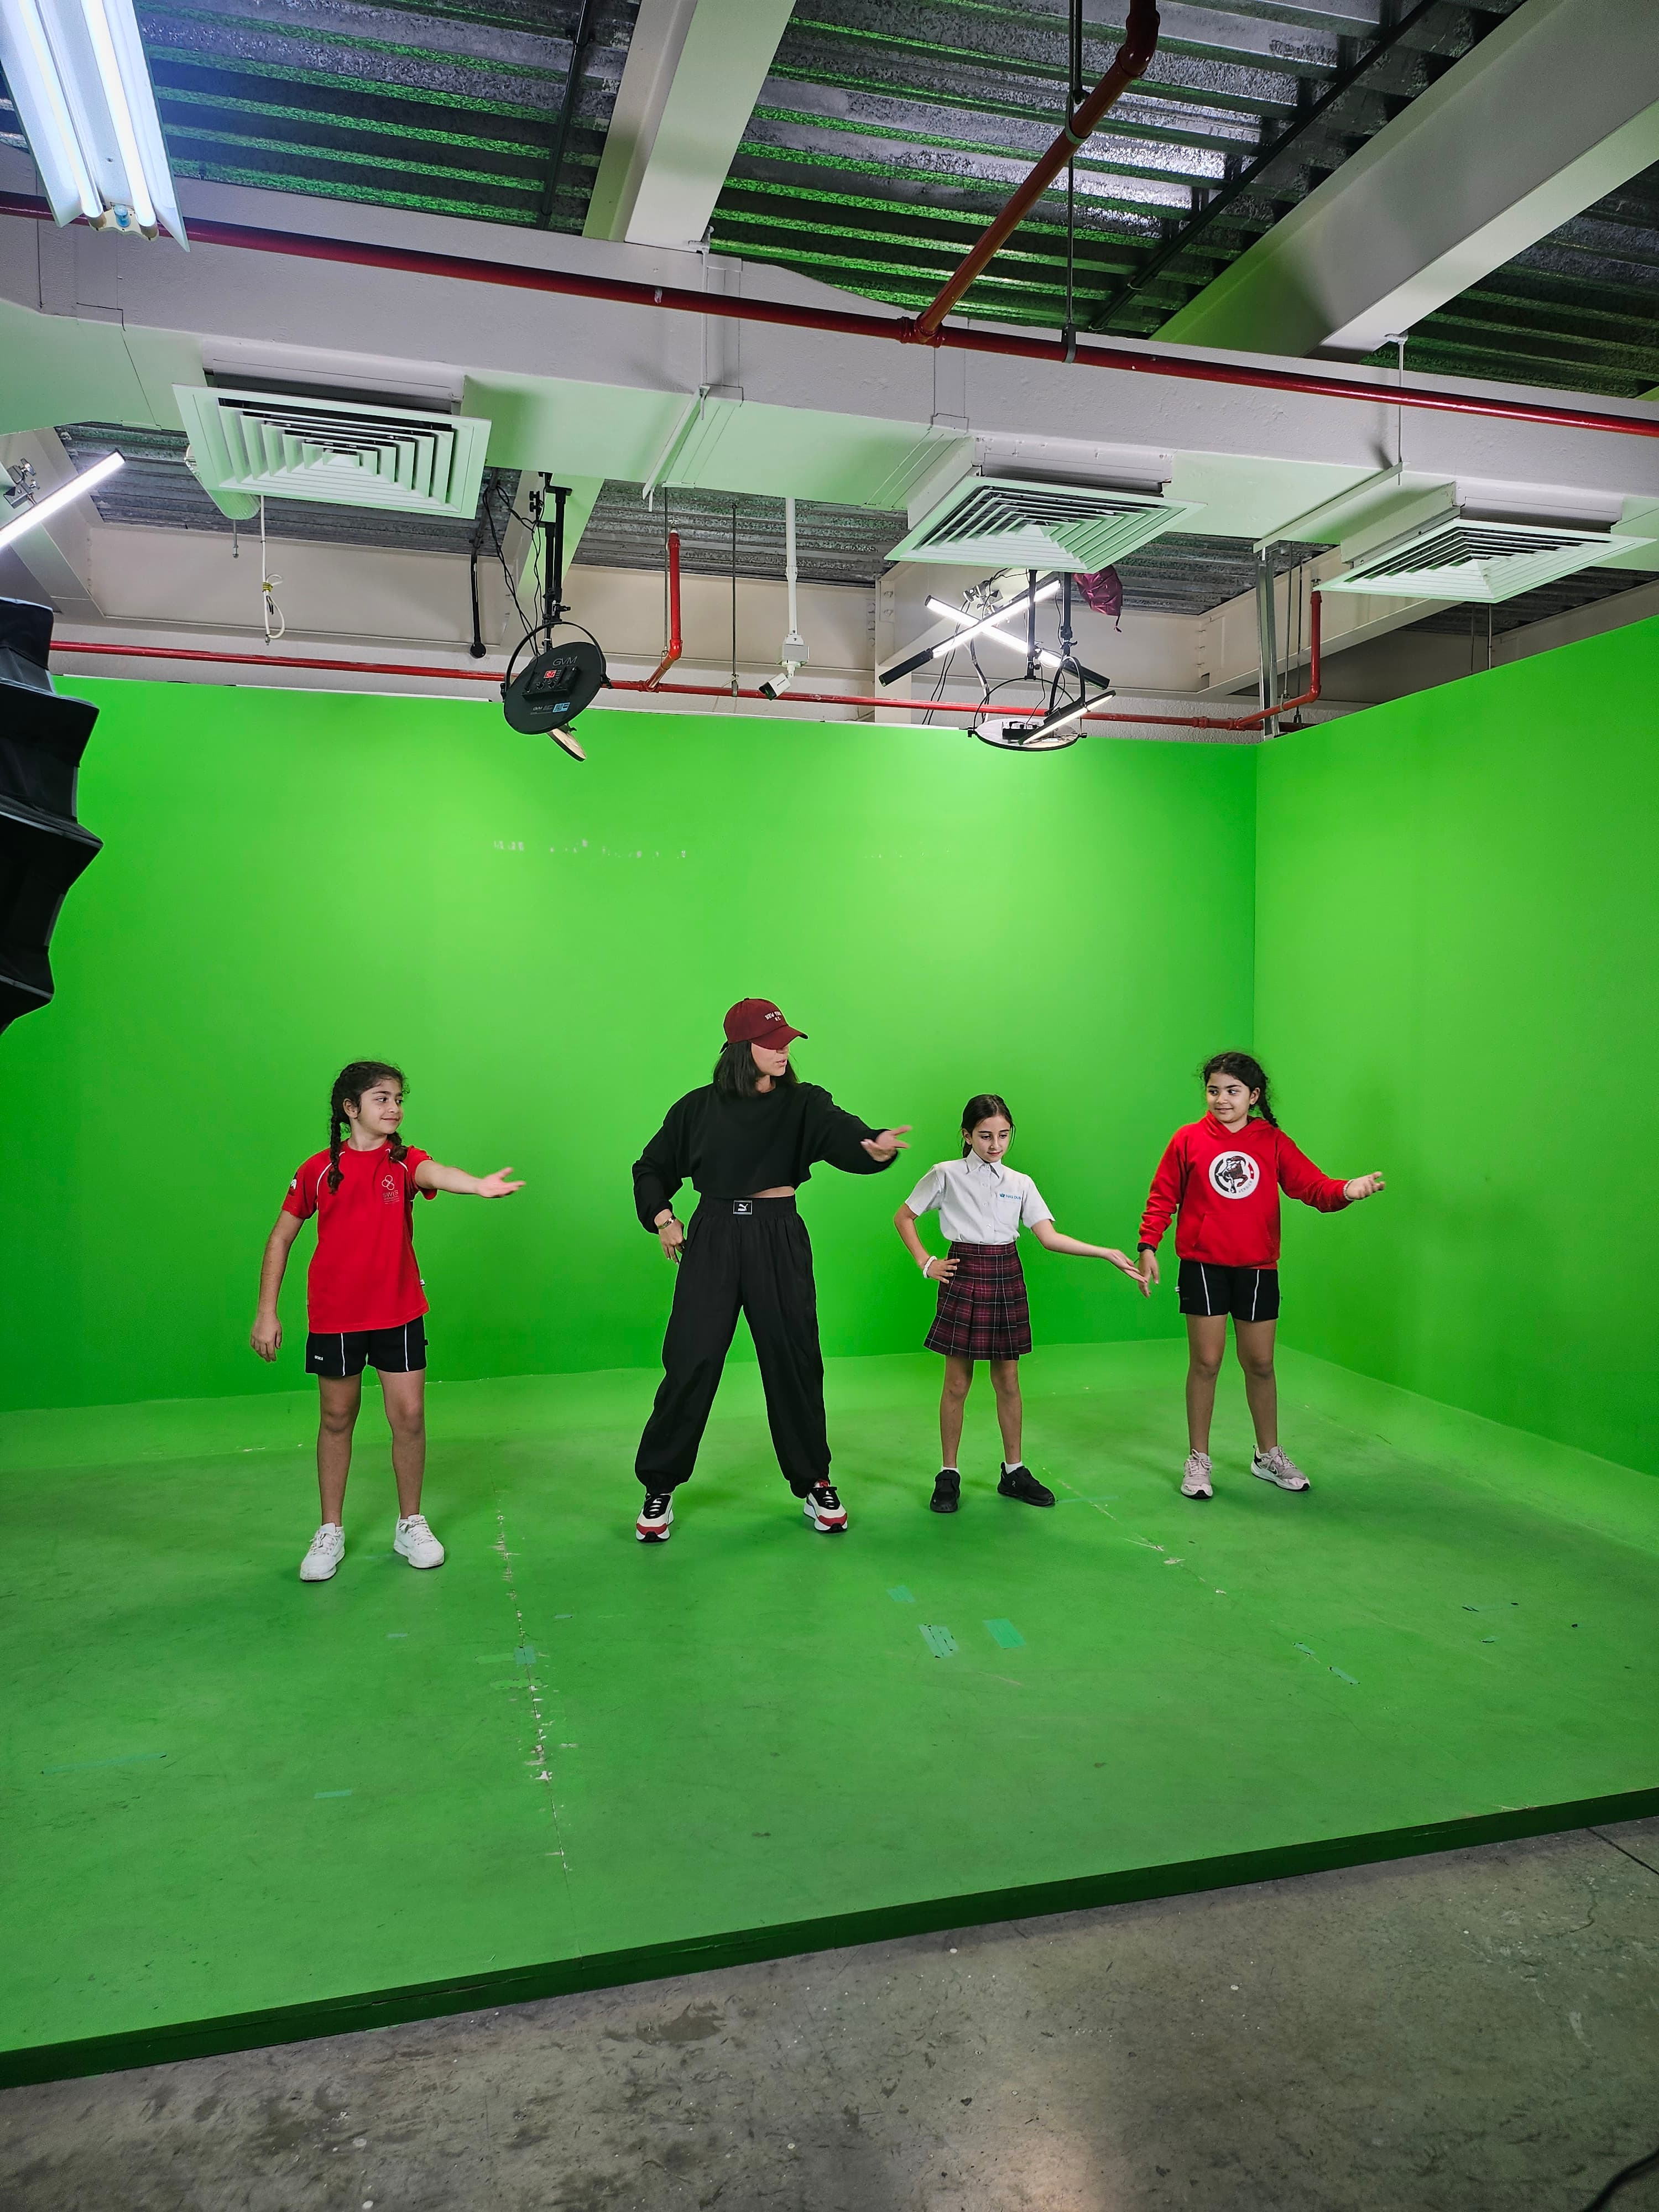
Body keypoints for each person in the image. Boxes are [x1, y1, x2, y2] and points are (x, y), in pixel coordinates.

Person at [631, 998, 910, 1543]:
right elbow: (651, 1168)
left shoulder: (804, 1103)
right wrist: (663, 1217)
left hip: (777, 1234)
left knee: (794, 1359)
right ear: (742, 1049)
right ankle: (659, 1485)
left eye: (786, 1042)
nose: (784, 1052)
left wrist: (875, 1148)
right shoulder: (696, 1109)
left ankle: (814, 1480)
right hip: (713, 1236)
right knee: (692, 1360)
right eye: (772, 1043)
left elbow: (846, 1136)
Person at [251, 1060, 524, 1582]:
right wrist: (267, 1312)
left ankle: (410, 1523)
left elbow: (437, 1173)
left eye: (399, 1098)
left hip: (398, 1312)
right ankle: (330, 1529)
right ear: (350, 1108)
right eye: (382, 1098)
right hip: (336, 1316)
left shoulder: (403, 1162)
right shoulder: (317, 1170)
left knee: (411, 1417)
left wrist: (477, 1185)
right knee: (337, 1418)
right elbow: (281, 1238)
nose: (394, 1108)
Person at [1136, 1051, 1384, 1499]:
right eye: (1213, 1091)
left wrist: (1348, 1190)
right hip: (1203, 1266)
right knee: (1206, 1363)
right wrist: (1148, 1245)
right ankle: (1198, 1458)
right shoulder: (1188, 1139)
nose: (1221, 1100)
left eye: (1232, 1091)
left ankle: (1268, 1455)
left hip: (1257, 1268)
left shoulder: (1272, 1141)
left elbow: (1312, 1187)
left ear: (1253, 1096)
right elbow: (1163, 1196)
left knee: (1261, 1364)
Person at [895, 1093, 1142, 1514]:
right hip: (964, 1273)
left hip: (1006, 1273)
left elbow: (1048, 1238)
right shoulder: (944, 1174)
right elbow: (904, 1217)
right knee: (956, 1383)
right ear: (967, 1135)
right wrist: (926, 1262)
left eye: (1004, 1135)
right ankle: (948, 1473)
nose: (995, 1145)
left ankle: (1014, 1471)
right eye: (985, 1136)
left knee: (1008, 1381)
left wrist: (1105, 1253)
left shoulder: (1020, 1183)